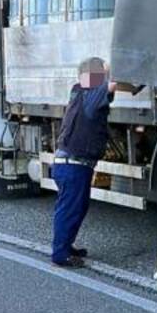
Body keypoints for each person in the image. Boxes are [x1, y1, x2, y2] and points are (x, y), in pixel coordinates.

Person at [51, 56, 115, 268]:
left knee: (76, 207)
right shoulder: (91, 94)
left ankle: (66, 245)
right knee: (70, 209)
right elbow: (112, 83)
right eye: (101, 74)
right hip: (73, 165)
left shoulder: (79, 91)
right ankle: (60, 253)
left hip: (70, 163)